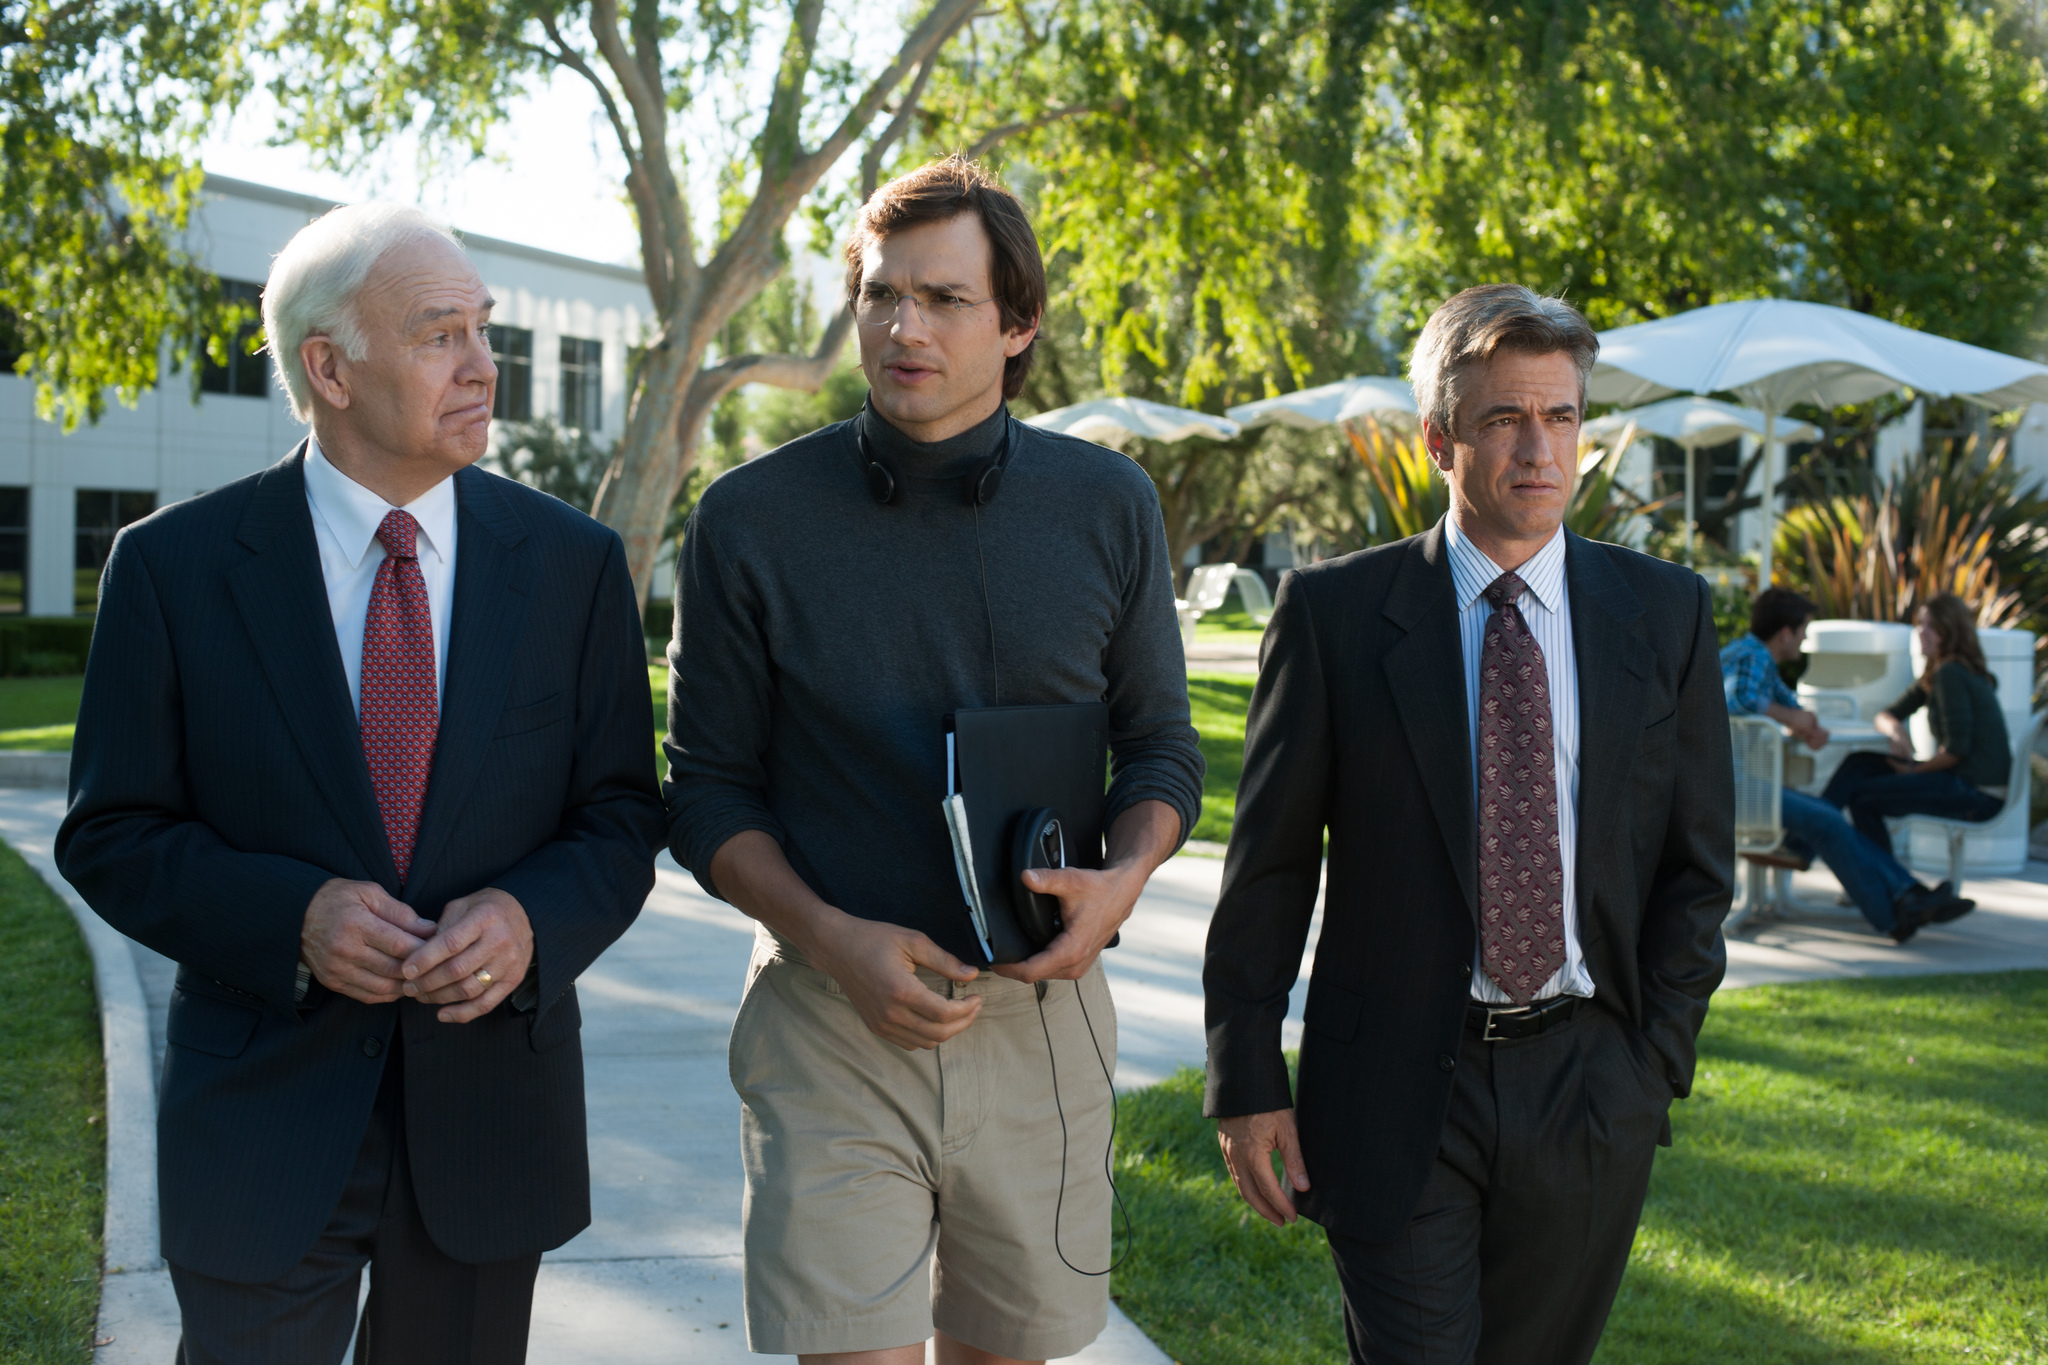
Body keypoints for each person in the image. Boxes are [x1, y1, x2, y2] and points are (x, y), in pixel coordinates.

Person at [55, 203, 665, 1363]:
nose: (484, 366)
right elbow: (112, 832)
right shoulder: (173, 569)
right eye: (441, 334)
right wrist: (291, 918)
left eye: (485, 331)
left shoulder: (573, 568)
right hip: (260, 1124)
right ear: (329, 367)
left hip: (490, 1122)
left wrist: (529, 921)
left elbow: (623, 816)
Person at [663, 155, 1203, 1365]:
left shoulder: (1109, 504)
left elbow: (1161, 750)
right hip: (829, 1017)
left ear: (1016, 325)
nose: (903, 326)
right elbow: (705, 793)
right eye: (879, 295)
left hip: (1044, 1020)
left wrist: (1121, 881)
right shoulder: (748, 519)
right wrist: (831, 938)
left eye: (944, 299)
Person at [1202, 284, 1732, 1365]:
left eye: (1560, 417)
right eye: (1502, 419)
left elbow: (1695, 865)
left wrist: (1651, 1066)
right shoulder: (1334, 616)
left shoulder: (1662, 611)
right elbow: (1267, 871)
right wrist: (1246, 1082)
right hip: (1395, 1088)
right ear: (1440, 439)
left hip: (1589, 1089)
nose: (1537, 450)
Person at [1720, 588, 1969, 941]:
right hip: (1737, 792)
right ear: (1785, 633)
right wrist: (1792, 717)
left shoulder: (1754, 656)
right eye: (1804, 630)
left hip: (1747, 788)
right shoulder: (1753, 655)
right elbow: (1733, 698)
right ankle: (1897, 913)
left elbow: (1785, 700)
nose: (1805, 640)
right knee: (1829, 819)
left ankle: (1905, 898)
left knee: (1829, 813)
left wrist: (1806, 723)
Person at [1824, 592, 2009, 884]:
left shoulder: (1951, 673)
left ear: (1951, 633)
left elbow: (1956, 750)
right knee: (1859, 762)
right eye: (1921, 624)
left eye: (1932, 627)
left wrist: (1912, 770)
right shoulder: (1939, 672)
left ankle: (1889, 885)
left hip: (1976, 793)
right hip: (1963, 782)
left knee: (1862, 797)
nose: (1921, 632)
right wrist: (1896, 730)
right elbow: (1887, 714)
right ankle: (1811, 847)